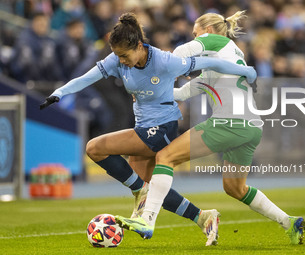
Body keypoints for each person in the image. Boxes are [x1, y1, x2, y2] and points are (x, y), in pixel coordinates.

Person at [40, 12, 257, 246]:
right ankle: (203, 217)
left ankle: (141, 192)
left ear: (138, 46)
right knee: (152, 189)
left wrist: (245, 71)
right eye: (117, 56)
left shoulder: (164, 60)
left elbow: (209, 62)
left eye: (124, 55)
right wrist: (59, 93)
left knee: (95, 148)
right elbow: (86, 78)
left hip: (163, 126)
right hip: (143, 125)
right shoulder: (116, 59)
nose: (121, 61)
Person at [116, 11, 305, 246]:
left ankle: (147, 220)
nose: (195, 37)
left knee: (165, 156)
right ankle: (290, 222)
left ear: (207, 30)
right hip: (251, 127)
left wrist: (170, 68)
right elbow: (183, 93)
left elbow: (181, 52)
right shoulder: (223, 62)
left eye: (196, 33)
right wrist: (149, 95)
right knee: (235, 187)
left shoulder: (219, 40)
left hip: (230, 122)